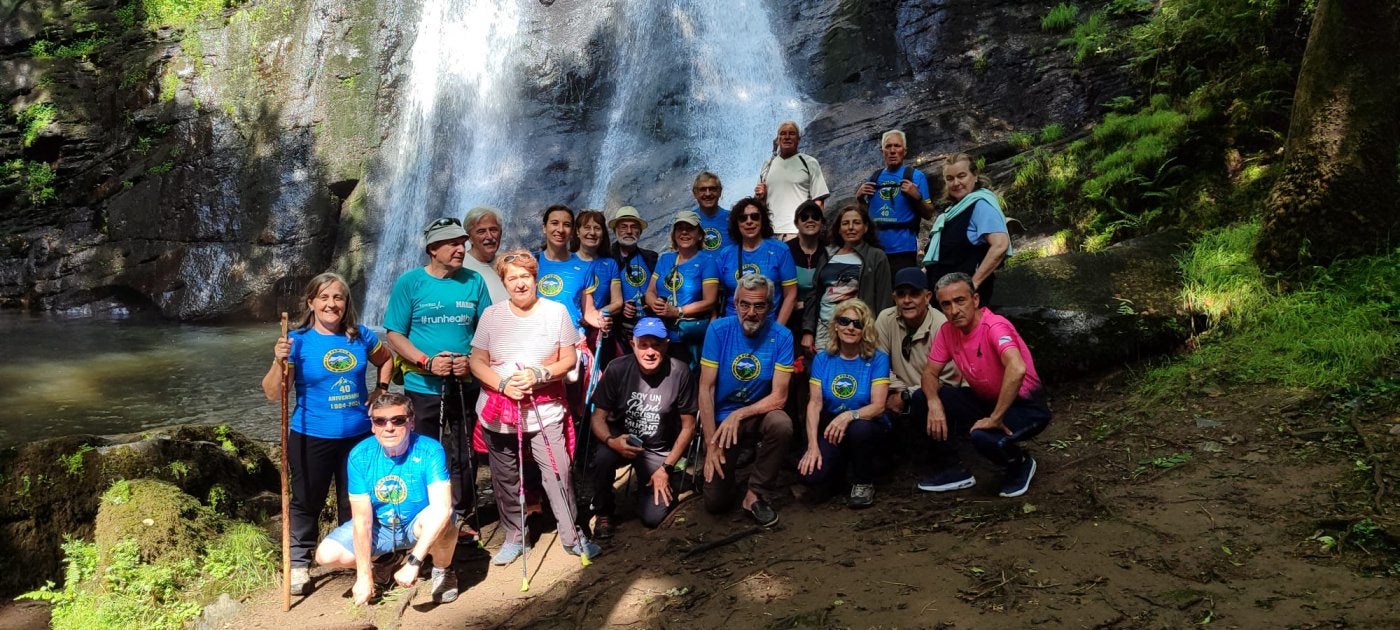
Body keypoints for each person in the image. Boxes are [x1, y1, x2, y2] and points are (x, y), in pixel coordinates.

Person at [261, 272, 392, 596]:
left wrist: (381, 389)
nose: (332, 304)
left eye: (338, 298)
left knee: (356, 501)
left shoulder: (361, 335)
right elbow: (271, 392)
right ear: (311, 302)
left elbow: (386, 359)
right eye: (325, 297)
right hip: (311, 434)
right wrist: (280, 360)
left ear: (346, 304)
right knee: (307, 500)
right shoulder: (296, 340)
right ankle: (300, 563)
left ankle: (356, 558)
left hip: (359, 435)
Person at [470, 249, 602, 565]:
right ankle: (515, 536)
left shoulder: (555, 313)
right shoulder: (492, 315)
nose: (519, 284)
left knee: (558, 471)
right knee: (505, 477)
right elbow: (477, 361)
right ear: (503, 282)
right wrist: (503, 384)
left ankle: (572, 534)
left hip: (545, 409)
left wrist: (541, 373)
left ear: (536, 279)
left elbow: (568, 359)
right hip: (498, 410)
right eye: (512, 278)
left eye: (525, 277)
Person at [382, 217, 491, 537]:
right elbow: (394, 335)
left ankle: (462, 516)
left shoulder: (474, 281)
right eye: (453, 244)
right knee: (421, 450)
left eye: (463, 243)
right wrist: (426, 361)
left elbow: (487, 330)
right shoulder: (410, 283)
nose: (462, 249)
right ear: (433, 249)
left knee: (464, 452)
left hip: (465, 383)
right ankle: (420, 515)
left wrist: (472, 362)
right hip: (422, 385)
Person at [313, 393, 459, 606]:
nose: (388, 427)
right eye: (380, 421)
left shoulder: (430, 449)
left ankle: (442, 569)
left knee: (443, 519)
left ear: (411, 422)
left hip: (417, 524)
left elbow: (442, 508)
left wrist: (414, 561)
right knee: (326, 555)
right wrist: (364, 576)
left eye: (397, 420)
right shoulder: (360, 455)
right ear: (372, 426)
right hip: (381, 528)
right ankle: (385, 563)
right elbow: (362, 521)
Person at [918, 273, 1051, 498]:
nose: (954, 310)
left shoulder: (994, 326)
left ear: (975, 300)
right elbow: (930, 373)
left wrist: (995, 418)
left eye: (960, 301)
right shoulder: (948, 331)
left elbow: (1016, 368)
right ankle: (955, 470)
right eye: (946, 304)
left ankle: (1020, 463)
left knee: (983, 436)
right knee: (922, 398)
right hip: (987, 400)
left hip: (1025, 406)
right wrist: (933, 402)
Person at [587, 317, 698, 537]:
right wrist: (612, 442)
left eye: (656, 345)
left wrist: (666, 468)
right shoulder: (617, 368)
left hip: (658, 449)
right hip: (622, 440)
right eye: (643, 345)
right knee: (601, 458)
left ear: (666, 344)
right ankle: (603, 510)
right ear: (633, 344)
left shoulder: (680, 372)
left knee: (653, 518)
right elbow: (597, 418)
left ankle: (654, 484)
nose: (650, 352)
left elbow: (689, 426)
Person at [699, 274, 795, 527]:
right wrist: (711, 444)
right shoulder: (718, 330)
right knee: (715, 503)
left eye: (759, 305)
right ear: (735, 303)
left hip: (757, 413)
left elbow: (779, 397)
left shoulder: (782, 336)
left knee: (781, 424)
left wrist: (739, 414)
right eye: (745, 305)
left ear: (770, 307)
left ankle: (755, 494)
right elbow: (705, 389)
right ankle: (726, 477)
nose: (751, 313)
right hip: (722, 420)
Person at [797, 299, 890, 509]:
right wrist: (812, 447)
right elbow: (814, 404)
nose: (850, 327)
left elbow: (878, 406)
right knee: (809, 475)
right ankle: (838, 470)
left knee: (860, 428)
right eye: (845, 321)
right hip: (832, 427)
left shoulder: (877, 359)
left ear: (865, 329)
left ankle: (863, 482)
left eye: (857, 324)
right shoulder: (823, 358)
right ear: (836, 325)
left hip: (868, 427)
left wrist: (849, 415)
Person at [874, 267, 962, 467]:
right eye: (901, 294)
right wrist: (897, 389)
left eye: (914, 294)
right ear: (894, 297)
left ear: (927, 296)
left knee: (931, 400)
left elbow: (949, 379)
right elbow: (878, 364)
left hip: (933, 394)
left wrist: (908, 394)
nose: (907, 300)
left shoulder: (942, 326)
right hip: (896, 389)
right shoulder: (885, 319)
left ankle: (944, 462)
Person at [922, 153, 1011, 305]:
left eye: (961, 176)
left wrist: (973, 285)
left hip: (963, 304)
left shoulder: (981, 205)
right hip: (944, 298)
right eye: (950, 178)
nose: (956, 183)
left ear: (975, 176)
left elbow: (1000, 245)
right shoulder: (953, 210)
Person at [801, 205, 892, 355]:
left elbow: (884, 300)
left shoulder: (876, 257)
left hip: (856, 328)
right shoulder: (827, 254)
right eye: (845, 223)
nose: (850, 227)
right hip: (825, 326)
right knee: (825, 373)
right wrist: (808, 330)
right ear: (838, 228)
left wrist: (878, 336)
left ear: (866, 227)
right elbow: (814, 293)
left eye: (856, 222)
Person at [645, 211, 720, 370]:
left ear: (699, 235)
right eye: (680, 229)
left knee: (689, 381)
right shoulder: (665, 259)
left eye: (690, 229)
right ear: (674, 235)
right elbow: (650, 292)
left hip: (689, 337)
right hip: (661, 335)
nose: (684, 232)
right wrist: (654, 304)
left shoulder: (707, 262)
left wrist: (678, 311)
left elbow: (710, 300)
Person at [855, 129, 933, 273]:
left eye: (897, 146)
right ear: (882, 151)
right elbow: (867, 214)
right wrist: (859, 198)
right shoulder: (874, 177)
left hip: (904, 248)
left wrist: (917, 197)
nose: (892, 150)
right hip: (875, 248)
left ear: (905, 150)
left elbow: (928, 214)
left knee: (902, 293)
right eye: (888, 146)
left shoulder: (916, 177)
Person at [716, 197, 798, 325]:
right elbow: (716, 293)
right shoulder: (726, 254)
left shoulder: (780, 250)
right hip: (732, 325)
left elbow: (791, 294)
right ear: (737, 223)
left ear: (762, 220)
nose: (749, 221)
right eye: (743, 218)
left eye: (754, 216)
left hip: (767, 325)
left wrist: (778, 330)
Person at [783, 200, 828, 423]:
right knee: (792, 376)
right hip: (791, 322)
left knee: (818, 375)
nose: (810, 220)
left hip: (824, 322)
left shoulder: (830, 249)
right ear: (797, 222)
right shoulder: (786, 250)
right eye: (805, 216)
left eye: (815, 216)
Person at [754, 121, 830, 239]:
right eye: (783, 134)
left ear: (798, 139)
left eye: (792, 133)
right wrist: (760, 196)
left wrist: (814, 232)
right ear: (778, 139)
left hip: (798, 232)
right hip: (770, 233)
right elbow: (758, 201)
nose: (787, 137)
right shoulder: (768, 164)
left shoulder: (810, 163)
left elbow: (818, 201)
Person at [572, 209, 625, 368]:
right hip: (572, 331)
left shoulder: (610, 264)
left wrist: (595, 317)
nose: (592, 232)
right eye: (587, 227)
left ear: (603, 233)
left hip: (599, 332)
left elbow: (617, 302)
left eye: (597, 228)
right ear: (578, 232)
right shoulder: (567, 260)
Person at [607, 206, 660, 352]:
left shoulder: (651, 258)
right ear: (615, 230)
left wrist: (653, 303)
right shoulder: (607, 260)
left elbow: (660, 290)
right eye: (623, 227)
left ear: (640, 231)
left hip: (651, 330)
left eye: (634, 227)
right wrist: (620, 308)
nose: (629, 231)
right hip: (620, 333)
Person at [462, 206, 509, 305]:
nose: (489, 236)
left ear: (501, 233)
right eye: (481, 231)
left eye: (493, 230)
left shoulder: (508, 263)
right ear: (469, 237)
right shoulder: (460, 267)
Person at [691, 171, 731, 253]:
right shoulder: (689, 220)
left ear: (720, 192)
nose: (708, 193)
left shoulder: (732, 218)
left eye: (712, 189)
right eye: (703, 189)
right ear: (695, 193)